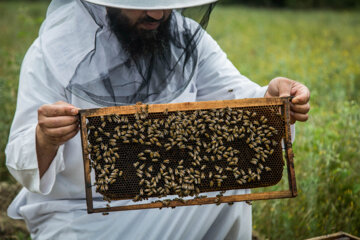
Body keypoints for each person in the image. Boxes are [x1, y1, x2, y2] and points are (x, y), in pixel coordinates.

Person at [6, 0, 310, 239]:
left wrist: (273, 100)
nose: (157, 13)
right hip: (83, 214)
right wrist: (45, 138)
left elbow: (238, 100)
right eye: (141, 2)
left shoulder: (185, 38)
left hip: (170, 197)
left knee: (228, 181)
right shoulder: (53, 52)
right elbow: (21, 158)